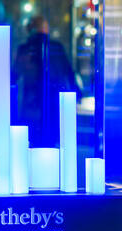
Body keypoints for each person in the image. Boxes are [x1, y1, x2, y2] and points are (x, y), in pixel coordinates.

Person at [13, 14, 77, 147]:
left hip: (32, 96)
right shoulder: (55, 47)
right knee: (50, 135)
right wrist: (75, 89)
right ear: (44, 27)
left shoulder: (25, 48)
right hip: (52, 94)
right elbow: (67, 70)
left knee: (33, 136)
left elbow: (15, 74)